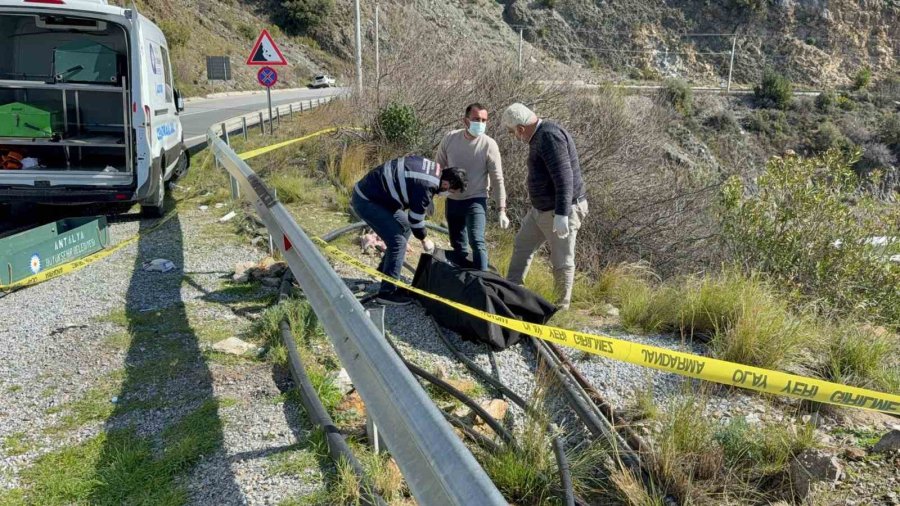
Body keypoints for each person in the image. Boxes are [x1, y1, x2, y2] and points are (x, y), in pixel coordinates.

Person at [500, 103, 588, 310]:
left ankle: (560, 308)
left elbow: (564, 177)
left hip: (558, 210)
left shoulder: (549, 136)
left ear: (521, 129)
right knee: (523, 244)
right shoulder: (538, 136)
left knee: (562, 259)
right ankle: (512, 290)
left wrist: (562, 214)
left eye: (513, 132)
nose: (514, 137)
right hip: (540, 211)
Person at [352, 155, 467, 305]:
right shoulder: (427, 186)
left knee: (404, 228)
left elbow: (411, 220)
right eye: (451, 191)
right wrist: (424, 239)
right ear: (446, 184)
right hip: (367, 200)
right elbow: (416, 220)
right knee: (398, 242)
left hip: (379, 197)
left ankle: (385, 272)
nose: (448, 195)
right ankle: (387, 293)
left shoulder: (435, 169)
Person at [435, 103, 508, 271]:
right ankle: (463, 278)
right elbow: (437, 168)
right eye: (476, 119)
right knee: (457, 242)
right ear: (465, 120)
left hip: (476, 199)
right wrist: (437, 191)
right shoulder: (450, 138)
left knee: (477, 240)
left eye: (484, 120)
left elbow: (497, 179)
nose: (480, 123)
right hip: (452, 200)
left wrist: (501, 209)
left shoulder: (489, 145)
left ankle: (482, 281)